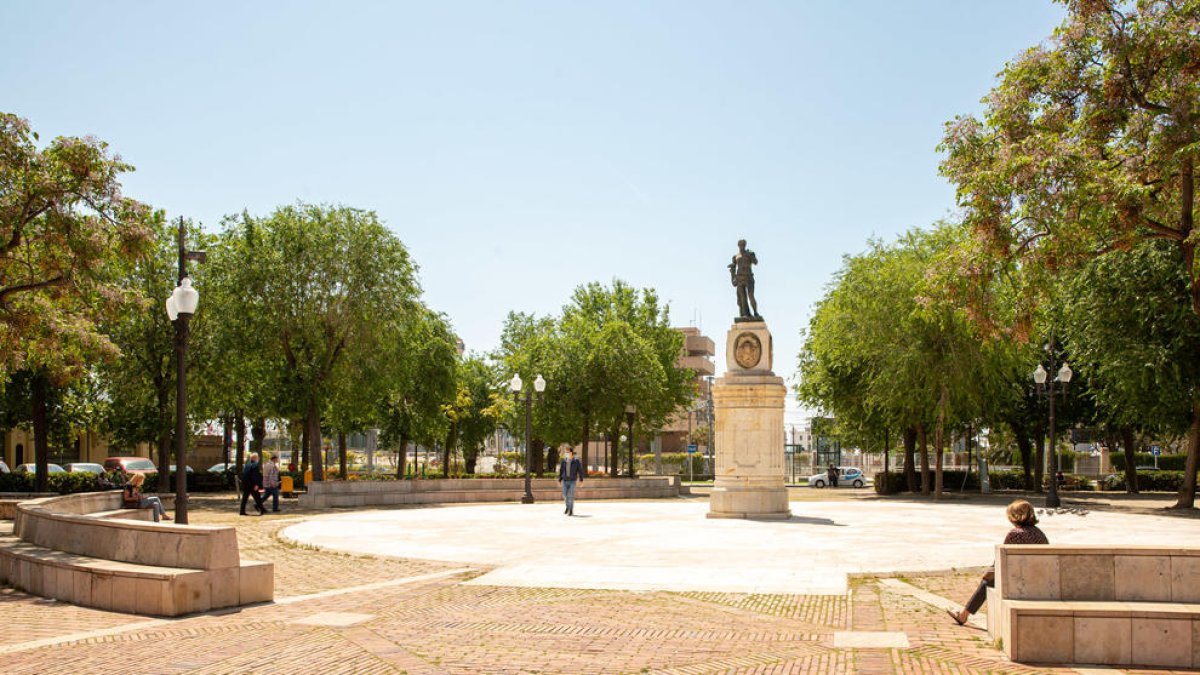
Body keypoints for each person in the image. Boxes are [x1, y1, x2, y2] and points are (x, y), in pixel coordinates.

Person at [948, 499, 1048, 625]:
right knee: (991, 579)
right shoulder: (1039, 533)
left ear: (1015, 516)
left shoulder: (1015, 534)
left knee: (987, 581)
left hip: (1020, 577)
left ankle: (963, 615)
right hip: (1037, 575)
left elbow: (1001, 559)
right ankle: (965, 614)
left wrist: (989, 572)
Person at [558, 447, 584, 516]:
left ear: (571, 453)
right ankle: (567, 507)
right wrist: (560, 479)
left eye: (567, 452)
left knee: (571, 496)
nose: (566, 454)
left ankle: (571, 510)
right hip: (565, 480)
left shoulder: (576, 461)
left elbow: (580, 471)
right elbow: (561, 470)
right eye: (565, 452)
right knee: (565, 495)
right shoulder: (563, 461)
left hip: (572, 481)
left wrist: (581, 480)